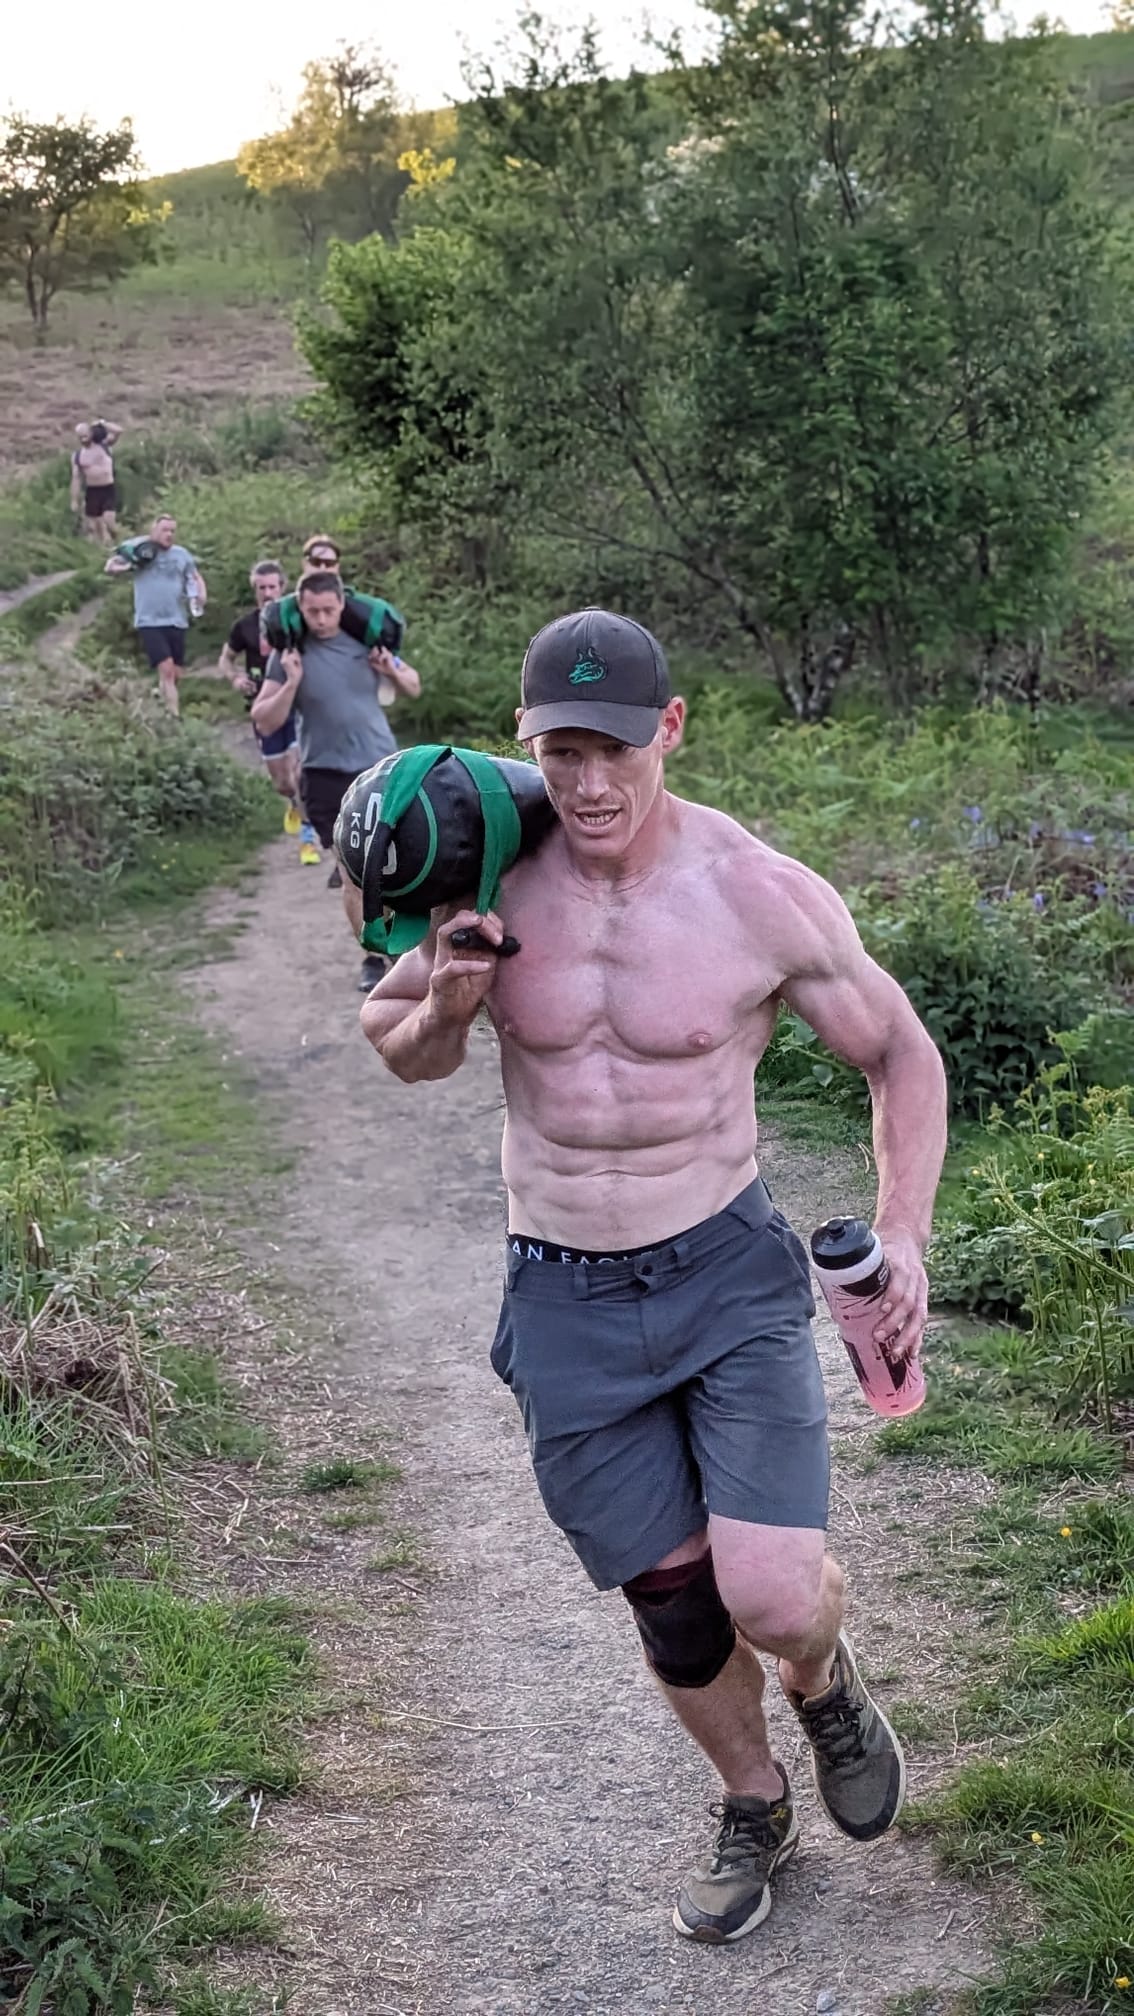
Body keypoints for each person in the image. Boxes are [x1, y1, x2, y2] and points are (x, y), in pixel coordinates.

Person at [356, 608, 948, 1947]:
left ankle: (821, 1676)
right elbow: (389, 1037)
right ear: (528, 746)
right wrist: (448, 1009)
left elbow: (899, 1054)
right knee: (676, 1612)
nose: (589, 781)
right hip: (561, 1291)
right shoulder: (491, 870)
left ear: (668, 730)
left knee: (772, 1593)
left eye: (614, 746)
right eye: (560, 750)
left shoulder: (755, 895)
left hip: (720, 1270)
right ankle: (752, 1799)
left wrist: (902, 1232)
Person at [251, 570, 421, 990]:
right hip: (324, 773)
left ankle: (400, 946)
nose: (322, 619)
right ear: (301, 607)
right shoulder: (289, 653)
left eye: (329, 610)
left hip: (381, 766)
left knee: (392, 865)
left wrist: (391, 671)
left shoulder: (367, 642)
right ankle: (373, 957)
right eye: (312, 612)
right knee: (352, 873)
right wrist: (291, 682)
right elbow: (264, 718)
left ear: (342, 605)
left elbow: (414, 686)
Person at [218, 559, 321, 865]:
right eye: (261, 588)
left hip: (298, 708)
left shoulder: (298, 622)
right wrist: (235, 677)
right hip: (265, 711)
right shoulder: (245, 626)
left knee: (300, 772)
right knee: (283, 782)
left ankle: (307, 840)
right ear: (255, 590)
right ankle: (292, 802)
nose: (267, 593)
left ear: (282, 588)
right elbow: (225, 659)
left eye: (272, 587)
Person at [104, 514, 206, 718]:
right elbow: (109, 567)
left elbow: (194, 577)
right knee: (166, 669)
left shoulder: (181, 554)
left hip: (177, 619)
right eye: (164, 530)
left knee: (175, 673)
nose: (169, 535)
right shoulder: (140, 550)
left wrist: (201, 595)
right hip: (149, 620)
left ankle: (161, 697)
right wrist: (127, 567)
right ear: (153, 531)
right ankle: (174, 717)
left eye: (172, 531)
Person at [70, 419, 122, 545]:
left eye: (85, 435)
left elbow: (118, 431)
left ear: (91, 433)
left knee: (109, 522)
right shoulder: (78, 456)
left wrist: (102, 423)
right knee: (94, 527)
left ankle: (118, 539)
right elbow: (76, 479)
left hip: (107, 489)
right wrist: (74, 500)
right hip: (92, 491)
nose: (83, 439)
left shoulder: (104, 446)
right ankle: (102, 551)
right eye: (80, 437)